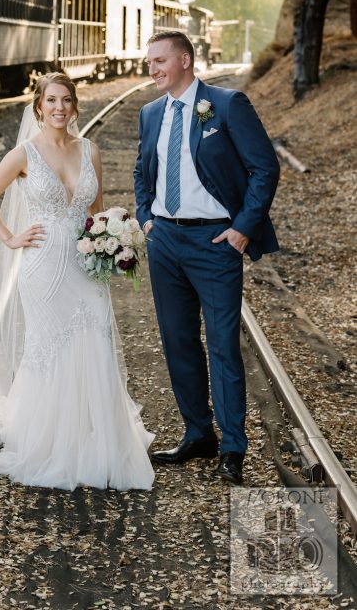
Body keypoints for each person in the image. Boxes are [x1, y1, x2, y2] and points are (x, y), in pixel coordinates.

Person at [0, 72, 154, 490]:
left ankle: (98, 439)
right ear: (39, 106)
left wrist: (112, 239)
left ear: (74, 106)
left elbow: (96, 212)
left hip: (85, 266)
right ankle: (49, 440)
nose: (59, 107)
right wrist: (10, 237)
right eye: (51, 100)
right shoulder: (24, 154)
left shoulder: (90, 150)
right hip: (43, 266)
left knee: (96, 340)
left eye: (66, 100)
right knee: (49, 346)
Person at [134, 32, 280, 485]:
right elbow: (142, 170)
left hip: (215, 243)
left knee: (222, 347)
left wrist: (242, 228)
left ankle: (233, 447)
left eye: (159, 61)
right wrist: (146, 218)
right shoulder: (150, 113)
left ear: (184, 60)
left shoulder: (227, 104)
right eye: (149, 62)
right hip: (165, 243)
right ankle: (198, 434)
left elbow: (264, 167)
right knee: (178, 342)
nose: (152, 69)